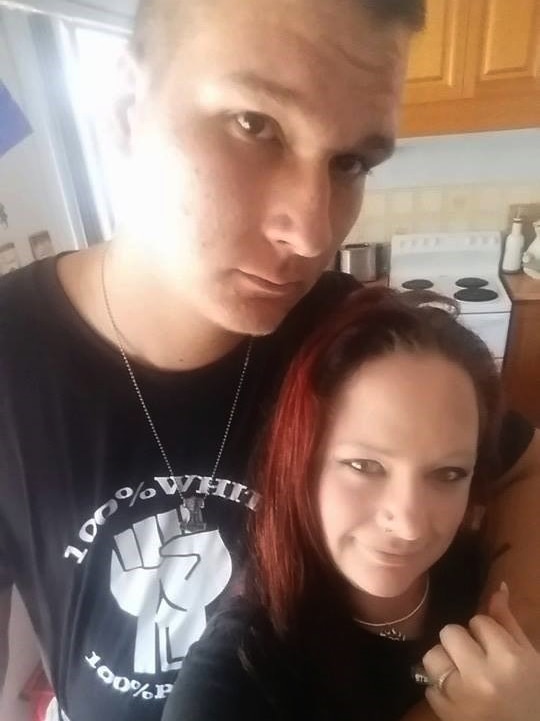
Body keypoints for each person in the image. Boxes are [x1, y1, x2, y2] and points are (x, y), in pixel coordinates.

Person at [0, 1, 538, 720]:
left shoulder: (345, 341)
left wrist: (505, 645)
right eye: (255, 124)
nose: (311, 231)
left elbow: (528, 466)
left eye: (350, 162)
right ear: (129, 105)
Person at [163, 287, 540, 721]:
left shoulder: (483, 577)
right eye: (365, 466)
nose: (410, 524)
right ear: (302, 463)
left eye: (448, 474)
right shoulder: (235, 679)